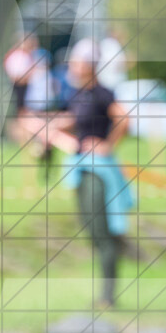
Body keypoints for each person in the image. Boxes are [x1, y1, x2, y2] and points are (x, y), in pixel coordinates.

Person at [48, 39, 134, 308]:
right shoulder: (76, 94)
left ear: (90, 65)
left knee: (103, 231)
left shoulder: (102, 93)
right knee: (91, 230)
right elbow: (73, 121)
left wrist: (107, 144)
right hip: (80, 169)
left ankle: (108, 297)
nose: (72, 67)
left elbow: (124, 119)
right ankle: (106, 291)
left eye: (77, 62)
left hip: (100, 171)